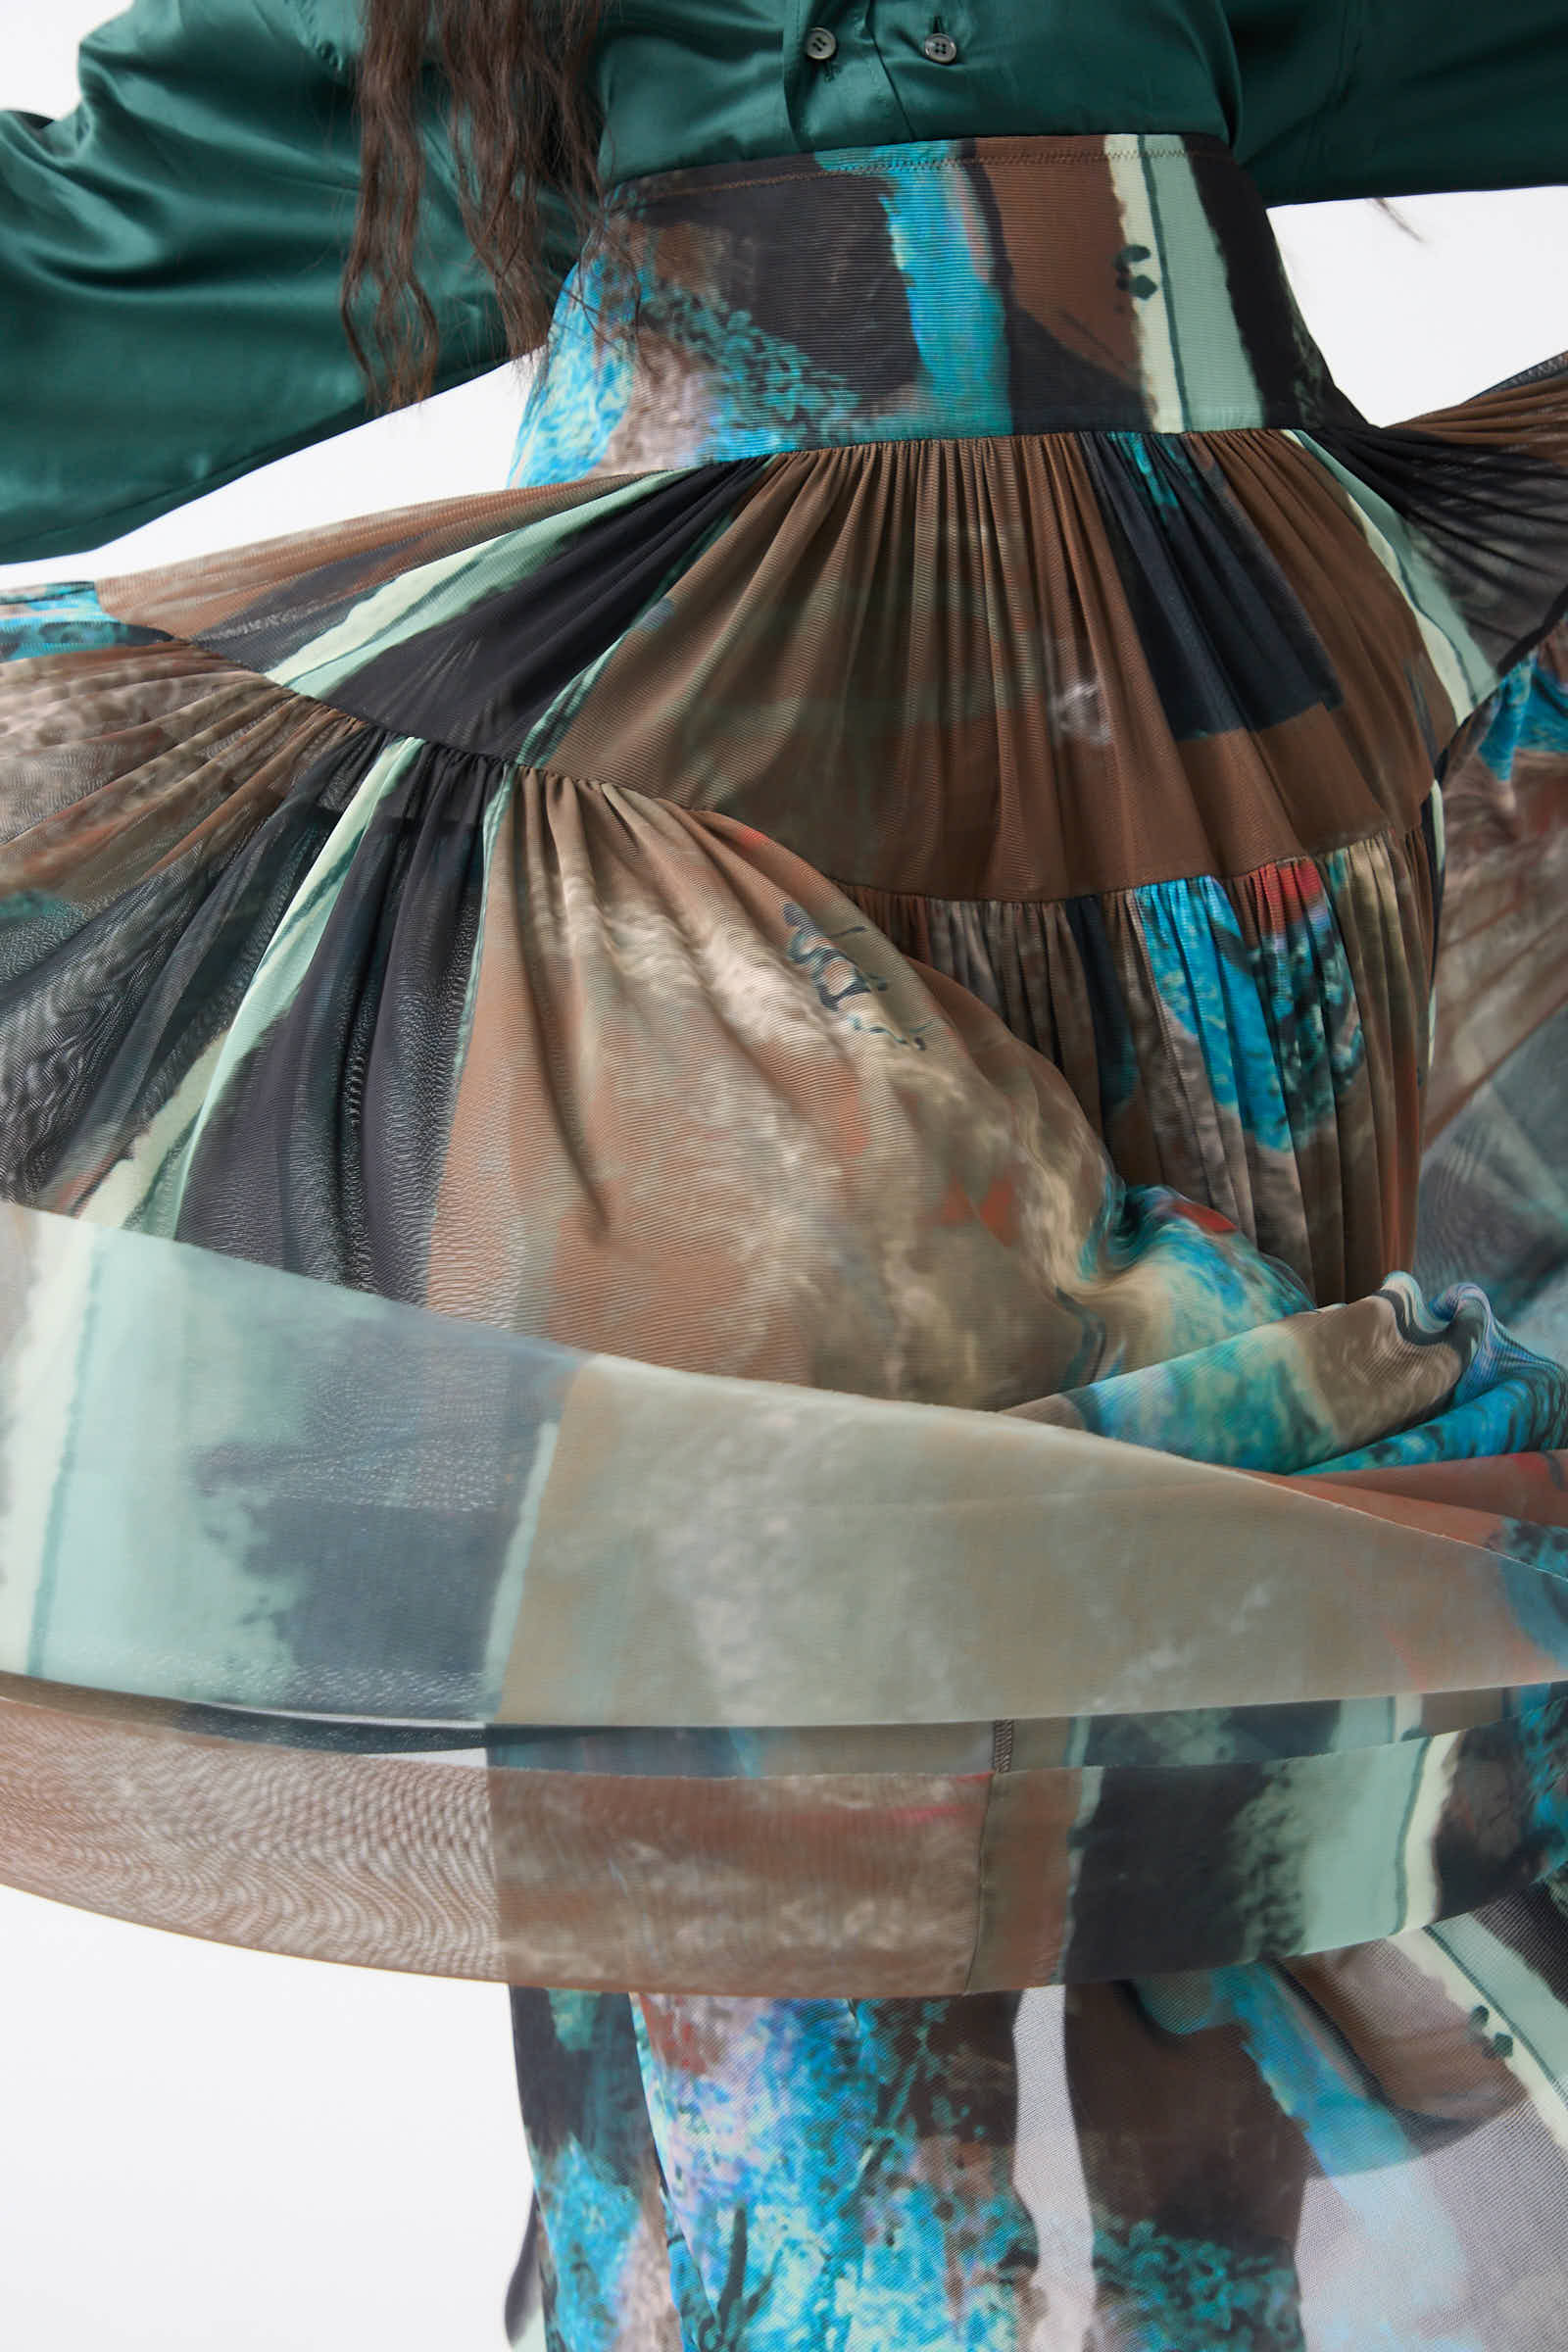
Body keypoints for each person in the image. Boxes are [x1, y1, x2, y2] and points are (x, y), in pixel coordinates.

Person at [3, 4, 1568, 2346]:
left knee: (1218, 1685)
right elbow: (185, 243)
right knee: (826, 1718)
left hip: (1227, 753)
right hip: (780, 820)